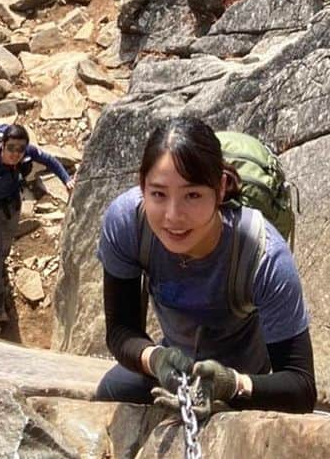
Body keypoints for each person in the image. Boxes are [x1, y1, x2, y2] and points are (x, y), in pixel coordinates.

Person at [94, 116, 316, 414]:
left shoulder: (263, 255)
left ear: (221, 188)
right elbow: (121, 330)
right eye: (158, 194)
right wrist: (156, 359)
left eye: (193, 195)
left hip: (245, 379)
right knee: (111, 393)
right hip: (174, 366)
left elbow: (300, 387)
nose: (173, 216)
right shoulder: (128, 222)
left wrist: (232, 385)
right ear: (142, 185)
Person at [0, 121, 74, 327]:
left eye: (20, 149)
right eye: (11, 148)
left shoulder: (24, 152)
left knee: (5, 245)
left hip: (13, 208)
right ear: (2, 144)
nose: (16, 153)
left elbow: (48, 159)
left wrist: (66, 179)